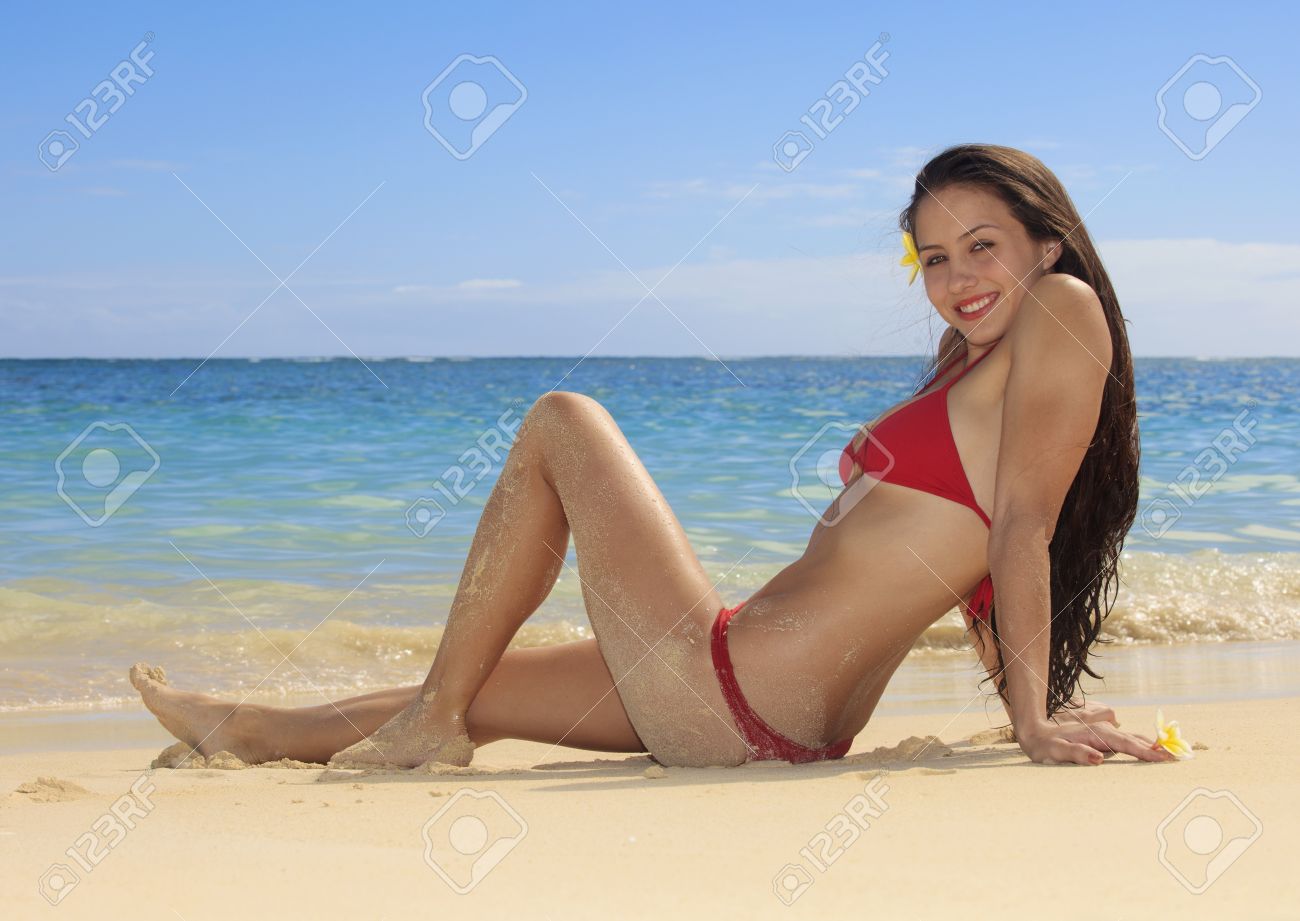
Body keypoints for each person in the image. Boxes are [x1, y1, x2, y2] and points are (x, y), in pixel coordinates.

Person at [131, 144, 1175, 770]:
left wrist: (1032, 719)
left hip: (738, 690)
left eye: (982, 246)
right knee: (480, 684)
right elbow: (974, 564)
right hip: (758, 705)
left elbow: (1021, 526)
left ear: (1045, 242)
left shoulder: (1060, 307)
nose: (956, 278)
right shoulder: (974, 364)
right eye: (934, 257)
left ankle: (430, 722)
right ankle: (250, 728)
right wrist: (1026, 704)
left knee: (562, 420)